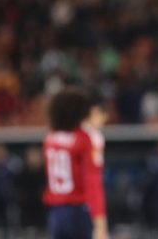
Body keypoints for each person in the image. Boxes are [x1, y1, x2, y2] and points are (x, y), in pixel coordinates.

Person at [42, 87, 109, 239]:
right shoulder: (87, 138)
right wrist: (100, 225)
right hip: (78, 210)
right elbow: (93, 183)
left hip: (55, 212)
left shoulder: (50, 139)